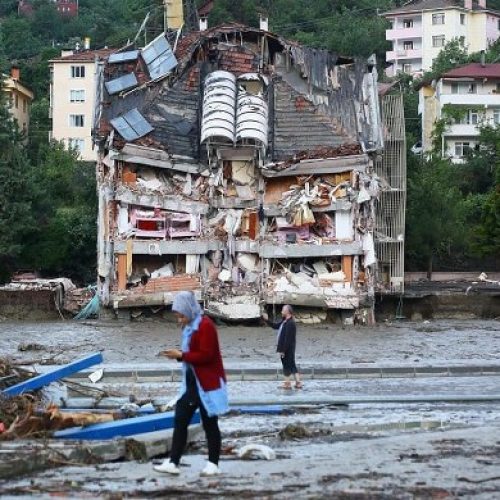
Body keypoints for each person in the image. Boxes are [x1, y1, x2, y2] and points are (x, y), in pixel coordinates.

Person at [153, 291, 228, 477]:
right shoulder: (189, 326)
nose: (180, 320)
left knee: (210, 423)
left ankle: (213, 464)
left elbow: (207, 355)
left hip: (206, 384)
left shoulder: (205, 326)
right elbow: (192, 354)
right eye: (177, 316)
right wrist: (179, 355)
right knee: (180, 419)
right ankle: (173, 462)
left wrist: (181, 355)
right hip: (192, 382)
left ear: (189, 310)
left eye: (181, 315)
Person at [263, 305, 303, 390]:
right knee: (292, 365)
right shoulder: (285, 321)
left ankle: (287, 383)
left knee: (286, 365)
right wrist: (266, 320)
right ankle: (298, 383)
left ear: (287, 312)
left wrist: (283, 350)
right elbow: (275, 326)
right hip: (288, 348)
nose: (281, 312)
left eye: (282, 310)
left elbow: (287, 339)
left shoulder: (290, 323)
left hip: (288, 348)